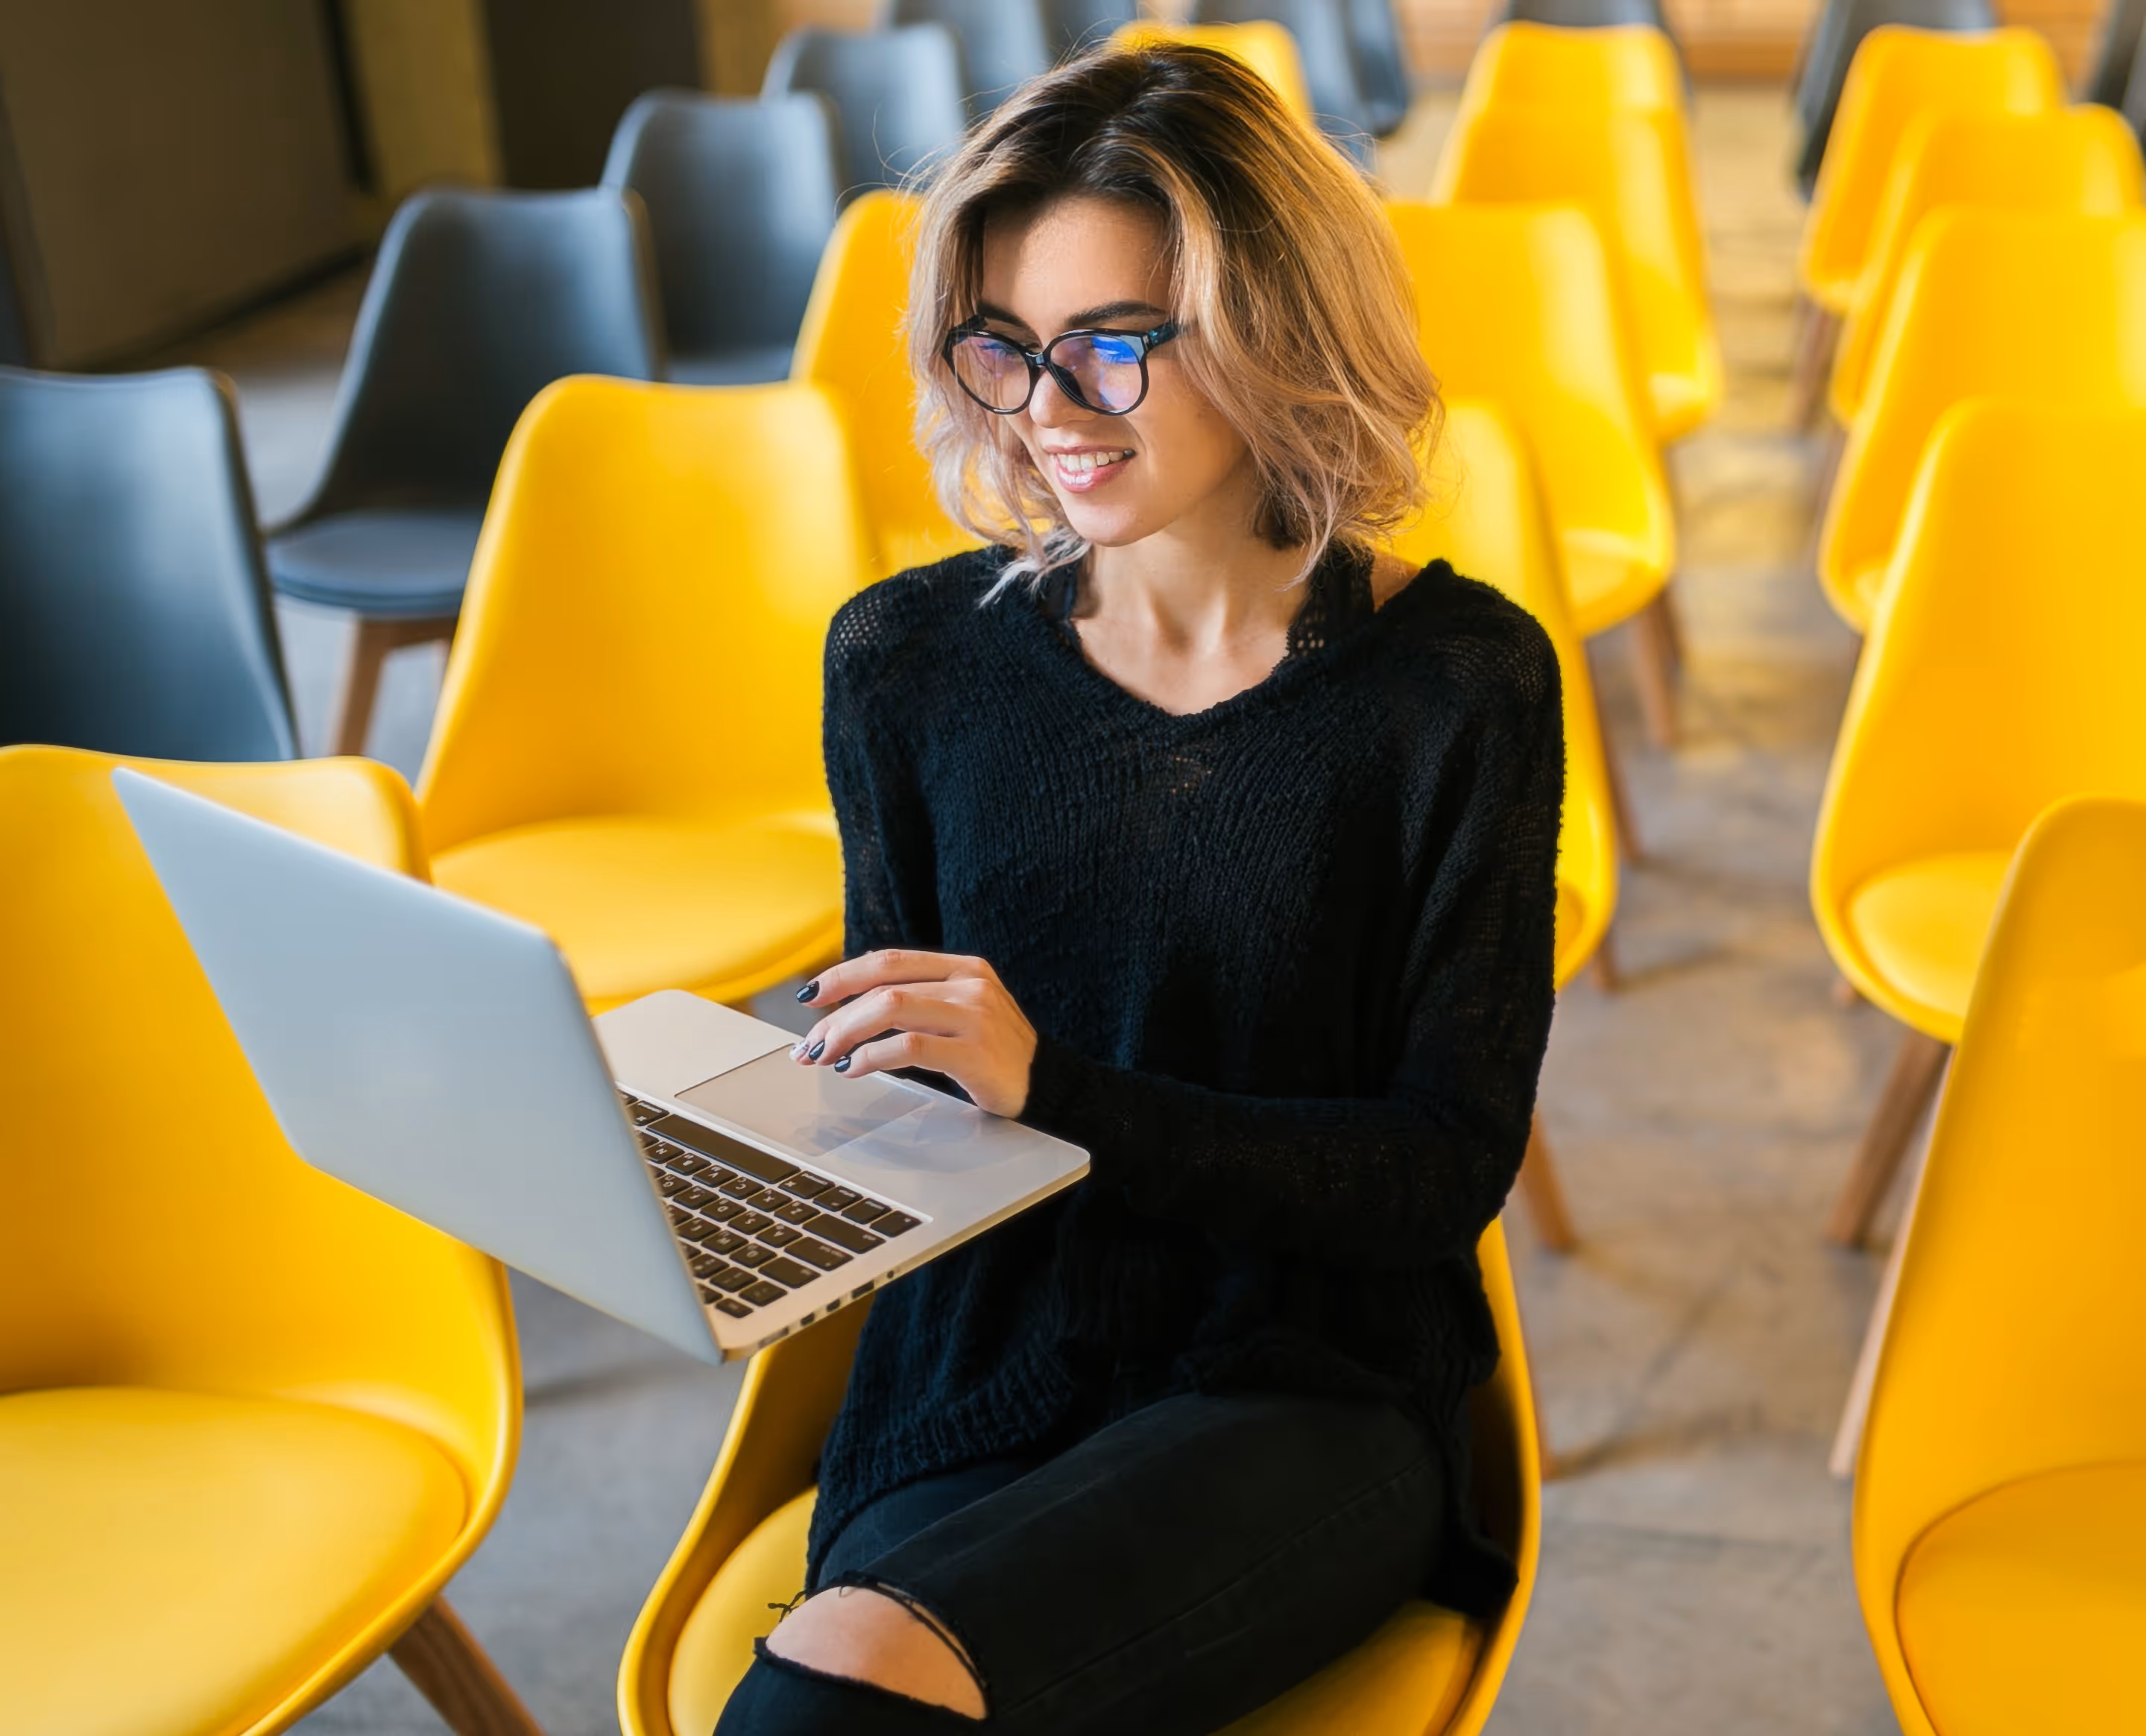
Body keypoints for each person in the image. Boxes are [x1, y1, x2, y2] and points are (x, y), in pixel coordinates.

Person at [713, 40, 1564, 1736]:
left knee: (829, 1702)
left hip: (1300, 1390)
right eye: (1006, 349)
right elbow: (917, 1090)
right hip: (977, 1370)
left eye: (1112, 344)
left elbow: (1435, 1178)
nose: (1049, 412)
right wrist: (724, 1162)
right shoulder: (901, 662)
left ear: (1275, 332)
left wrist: (1066, 1094)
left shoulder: (1455, 685)